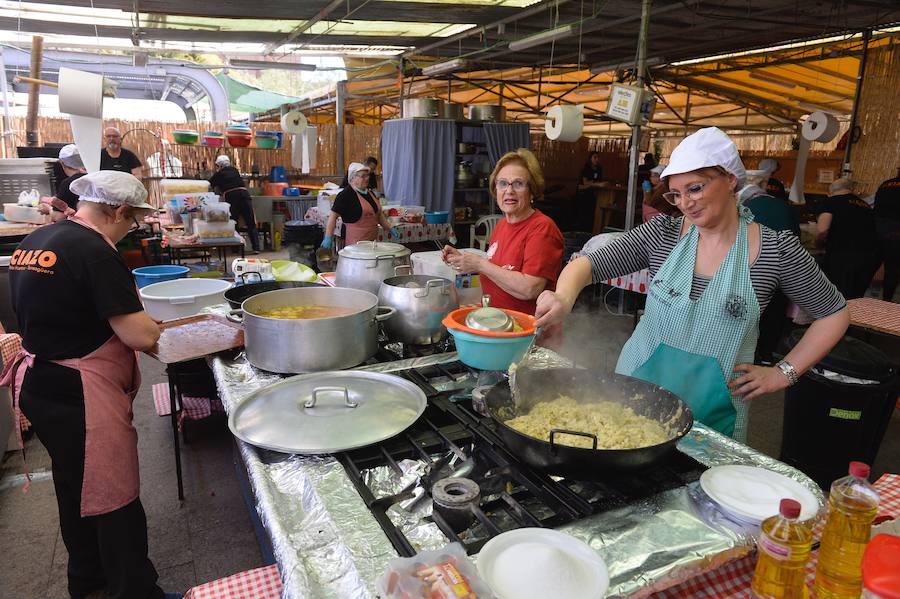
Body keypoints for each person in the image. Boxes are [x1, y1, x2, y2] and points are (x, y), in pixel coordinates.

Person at [535, 128, 849, 442]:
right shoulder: (662, 233)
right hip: (634, 397)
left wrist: (784, 372)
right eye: (676, 193)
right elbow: (587, 265)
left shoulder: (774, 251)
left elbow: (834, 313)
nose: (685, 203)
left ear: (729, 180)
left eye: (695, 188)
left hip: (712, 417)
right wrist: (563, 298)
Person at [1, 171, 181, 599]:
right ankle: (133, 592)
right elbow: (138, 335)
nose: (130, 230)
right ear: (117, 210)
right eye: (132, 221)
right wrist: (154, 330)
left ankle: (88, 583)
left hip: (40, 381)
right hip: (81, 392)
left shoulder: (37, 241)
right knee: (112, 496)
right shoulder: (95, 252)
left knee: (74, 488)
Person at [443, 148, 564, 344]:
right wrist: (464, 261)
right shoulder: (501, 226)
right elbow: (499, 272)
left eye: (518, 183)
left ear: (532, 190)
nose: (509, 190)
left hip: (531, 339)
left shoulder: (542, 228)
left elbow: (529, 288)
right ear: (495, 189)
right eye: (502, 183)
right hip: (501, 332)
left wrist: (481, 264)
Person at [739, 169, 801, 364]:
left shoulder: (744, 208)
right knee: (776, 310)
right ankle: (767, 355)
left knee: (751, 310)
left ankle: (749, 354)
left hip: (753, 268)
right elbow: (796, 238)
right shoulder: (785, 207)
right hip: (784, 268)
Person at [817, 177, 881, 299]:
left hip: (842, 255)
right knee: (855, 297)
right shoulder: (866, 205)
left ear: (830, 191)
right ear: (851, 189)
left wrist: (818, 243)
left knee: (836, 296)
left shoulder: (831, 201)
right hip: (869, 257)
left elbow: (822, 230)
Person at [322, 162, 398, 248]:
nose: (367, 178)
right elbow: (333, 216)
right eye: (363, 176)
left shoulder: (370, 193)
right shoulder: (345, 195)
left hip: (372, 243)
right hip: (355, 245)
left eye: (367, 175)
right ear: (353, 178)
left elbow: (378, 214)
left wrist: (389, 227)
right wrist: (328, 237)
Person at [208, 155, 260, 253]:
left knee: (233, 222)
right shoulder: (235, 170)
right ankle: (256, 248)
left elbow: (209, 184)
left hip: (232, 196)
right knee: (250, 222)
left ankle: (236, 248)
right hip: (244, 194)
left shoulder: (219, 174)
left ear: (219, 166)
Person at [38, 144, 87, 222]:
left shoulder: (68, 183)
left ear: (62, 163)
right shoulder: (91, 177)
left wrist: (48, 209)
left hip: (77, 228)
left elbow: (59, 217)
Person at [873, 167, 900, 301]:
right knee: (892, 269)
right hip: (896, 234)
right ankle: (887, 300)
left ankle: (856, 295)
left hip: (877, 230)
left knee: (871, 265)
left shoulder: (885, 184)